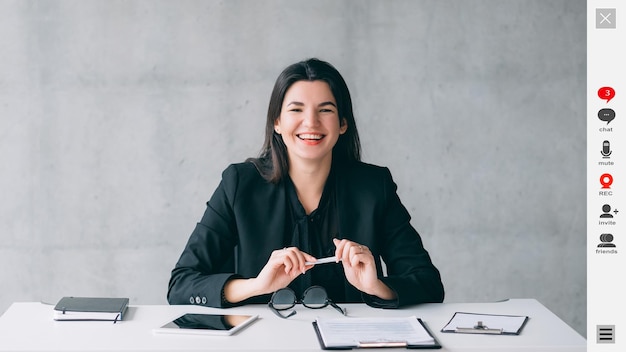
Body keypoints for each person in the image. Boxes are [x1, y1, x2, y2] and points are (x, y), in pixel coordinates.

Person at [167, 58, 444, 310]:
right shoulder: (239, 184)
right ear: (277, 121)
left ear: (343, 123)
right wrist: (256, 286)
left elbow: (428, 284)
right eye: (296, 109)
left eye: (325, 110)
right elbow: (181, 284)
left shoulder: (374, 186)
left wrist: (375, 287)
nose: (310, 122)